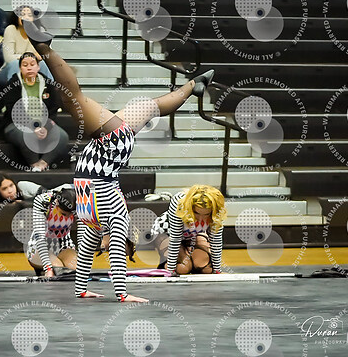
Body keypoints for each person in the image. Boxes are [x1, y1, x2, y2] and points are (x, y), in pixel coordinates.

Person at [24, 22, 214, 302]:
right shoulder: (115, 213)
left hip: (94, 175)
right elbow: (114, 249)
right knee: (133, 105)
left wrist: (88, 290)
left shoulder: (98, 218)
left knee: (78, 99)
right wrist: (123, 295)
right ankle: (192, 86)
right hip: (107, 155)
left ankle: (44, 47)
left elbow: (97, 249)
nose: (110, 245)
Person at [0, 51, 69, 172]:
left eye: (32, 64)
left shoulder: (48, 84)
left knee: (62, 136)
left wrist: (45, 127)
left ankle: (42, 164)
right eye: (25, 65)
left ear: (38, 67)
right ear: (20, 68)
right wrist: (33, 126)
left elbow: (53, 109)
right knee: (28, 134)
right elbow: (13, 110)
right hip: (16, 124)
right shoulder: (12, 84)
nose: (29, 68)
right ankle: (33, 164)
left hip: (43, 123)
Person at [151, 185, 226, 275]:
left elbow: (216, 240)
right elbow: (175, 238)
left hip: (192, 235)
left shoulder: (216, 210)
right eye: (196, 213)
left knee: (205, 269)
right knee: (184, 268)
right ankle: (166, 266)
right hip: (167, 232)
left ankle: (190, 261)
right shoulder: (179, 203)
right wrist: (171, 270)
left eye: (206, 214)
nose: (200, 218)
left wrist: (217, 270)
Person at [26, 186, 82, 276]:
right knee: (57, 268)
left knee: (75, 269)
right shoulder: (43, 201)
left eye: (71, 214)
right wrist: (48, 268)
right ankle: (44, 268)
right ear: (57, 204)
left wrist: (83, 263)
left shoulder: (79, 203)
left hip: (64, 245)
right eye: (64, 214)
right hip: (39, 247)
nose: (68, 217)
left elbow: (82, 235)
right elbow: (39, 236)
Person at [0, 7, 53, 86]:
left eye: (29, 15)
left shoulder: (39, 31)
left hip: (32, 69)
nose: (26, 18)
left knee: (43, 64)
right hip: (8, 71)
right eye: (22, 15)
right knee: (15, 64)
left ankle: (51, 89)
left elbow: (48, 56)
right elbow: (9, 58)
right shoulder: (11, 29)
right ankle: (15, 91)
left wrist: (39, 57)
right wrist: (30, 57)